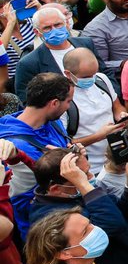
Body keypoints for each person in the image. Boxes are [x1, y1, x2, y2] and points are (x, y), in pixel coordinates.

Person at [0, 73, 74, 232]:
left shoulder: (53, 123)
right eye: (68, 101)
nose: (69, 107)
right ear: (54, 103)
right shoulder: (16, 146)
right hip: (40, 225)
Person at [60, 48, 125, 170]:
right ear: (68, 74)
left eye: (94, 74)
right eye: (86, 76)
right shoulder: (62, 99)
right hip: (90, 167)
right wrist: (99, 136)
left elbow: (117, 106)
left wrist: (122, 116)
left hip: (118, 159)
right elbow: (64, 144)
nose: (92, 79)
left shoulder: (101, 79)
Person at [15, 6, 94, 103]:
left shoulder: (86, 43)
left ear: (66, 23)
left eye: (58, 25)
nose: (54, 30)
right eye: (47, 28)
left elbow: (104, 73)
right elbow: (28, 101)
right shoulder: (29, 63)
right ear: (37, 32)